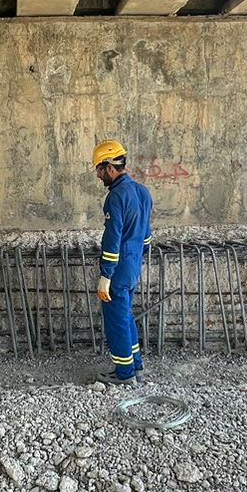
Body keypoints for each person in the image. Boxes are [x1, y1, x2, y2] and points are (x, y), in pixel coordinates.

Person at [91, 139, 153, 385]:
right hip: (133, 264)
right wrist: (136, 258)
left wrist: (106, 275)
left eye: (98, 169)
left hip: (118, 269)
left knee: (116, 320)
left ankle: (124, 374)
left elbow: (112, 238)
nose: (98, 175)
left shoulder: (116, 197)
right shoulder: (142, 191)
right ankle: (136, 365)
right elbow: (147, 236)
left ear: (109, 167)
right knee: (126, 315)